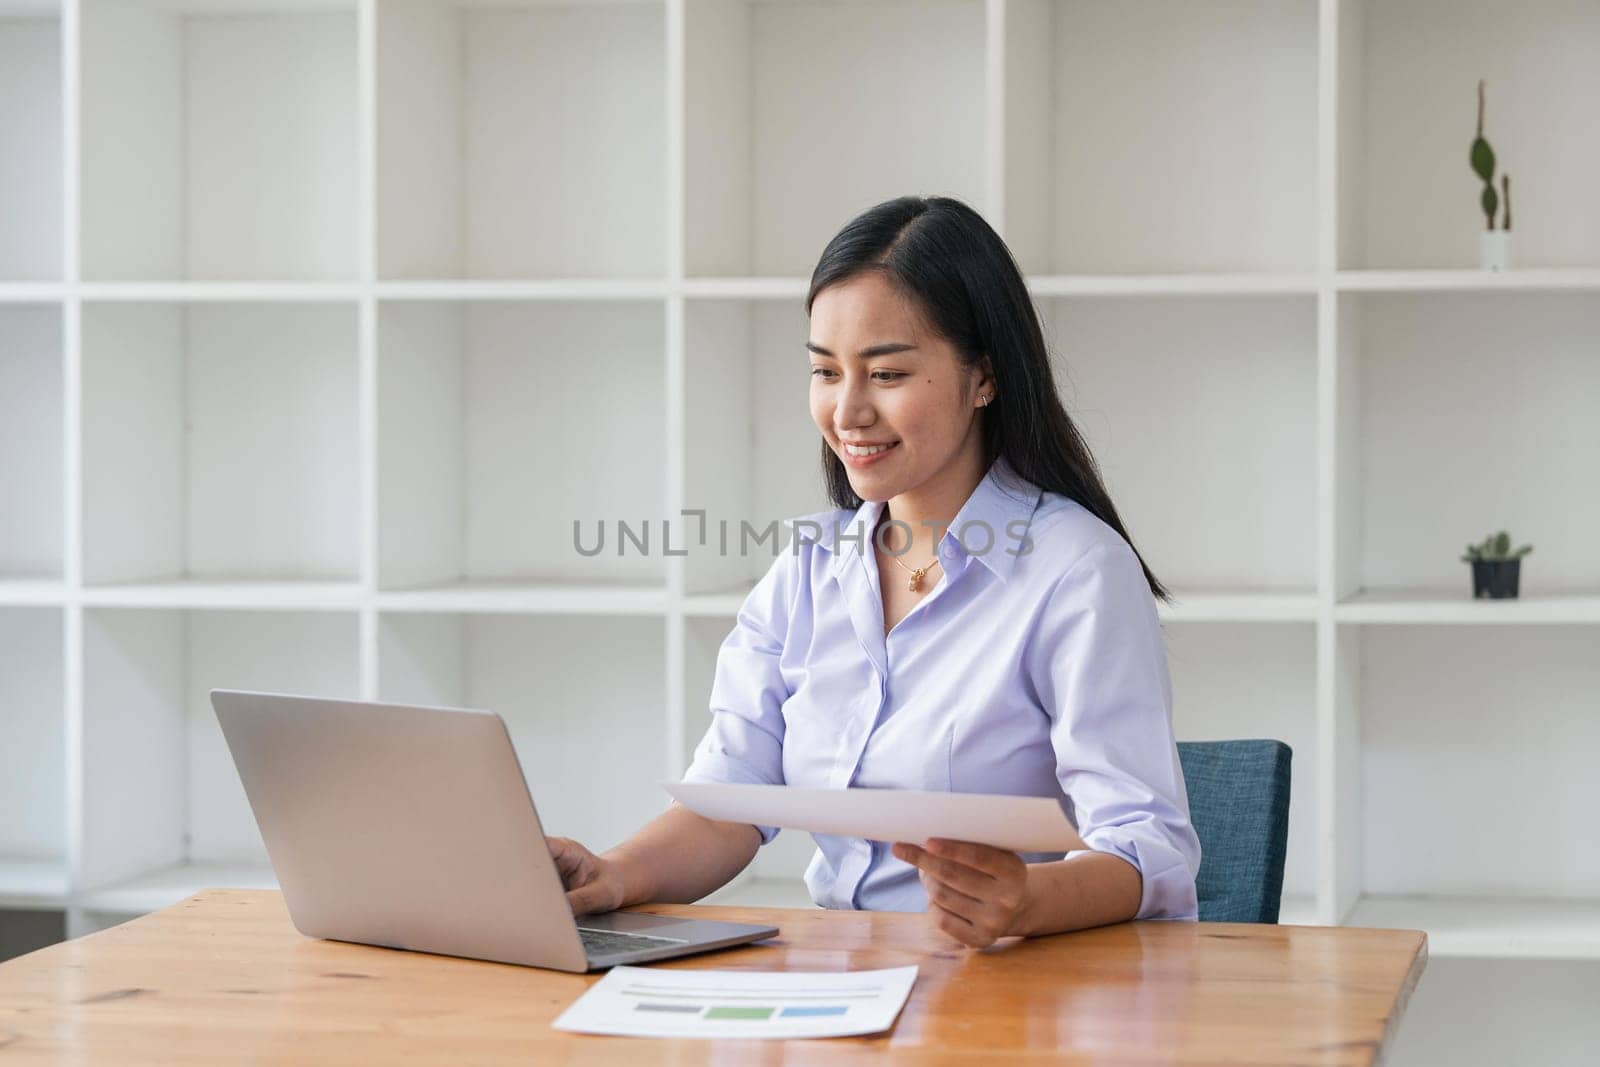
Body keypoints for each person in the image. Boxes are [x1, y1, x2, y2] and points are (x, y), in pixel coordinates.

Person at [549, 195, 1200, 948]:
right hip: (838, 984)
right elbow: (732, 796)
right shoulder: (810, 567)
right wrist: (615, 873)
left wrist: (1026, 899)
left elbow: (1149, 846)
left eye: (886, 373)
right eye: (826, 372)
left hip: (1012, 989)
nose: (847, 411)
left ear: (982, 376)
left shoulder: (1076, 571)